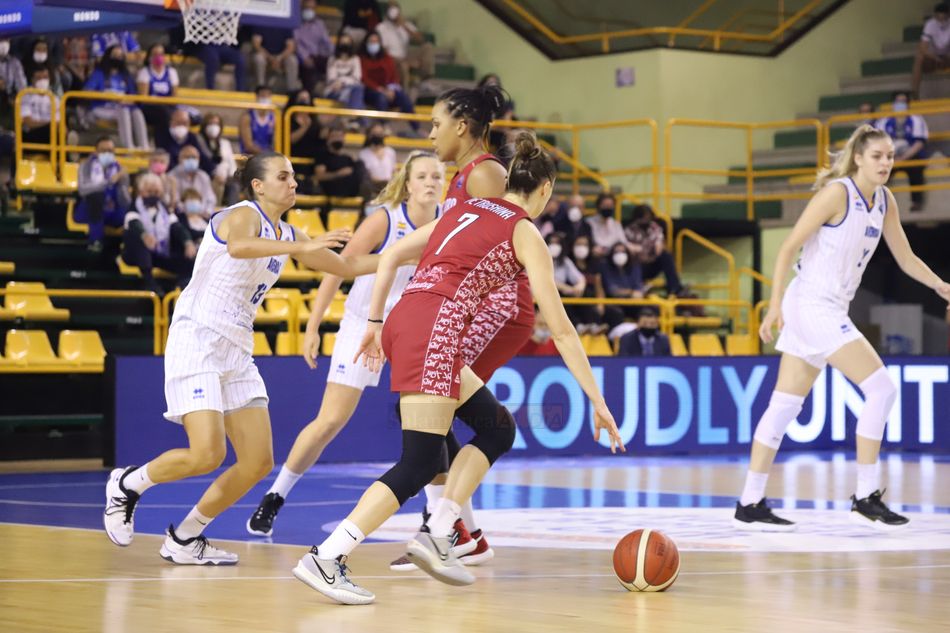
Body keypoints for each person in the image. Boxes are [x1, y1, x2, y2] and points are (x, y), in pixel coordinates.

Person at [292, 132, 624, 605]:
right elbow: (564, 330)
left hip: (410, 318)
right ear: (545, 189)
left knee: (498, 429)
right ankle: (327, 557)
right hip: (437, 327)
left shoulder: (464, 209)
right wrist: (599, 402)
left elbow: (391, 256)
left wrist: (376, 322)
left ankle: (442, 529)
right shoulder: (525, 231)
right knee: (421, 461)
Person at [102, 151, 380, 564]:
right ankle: (127, 483)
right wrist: (300, 244)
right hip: (198, 338)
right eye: (284, 176)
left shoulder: (286, 232)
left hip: (236, 348)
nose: (294, 183)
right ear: (258, 185)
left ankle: (185, 537)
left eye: (294, 175)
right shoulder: (242, 214)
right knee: (206, 454)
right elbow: (238, 247)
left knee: (257, 462)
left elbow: (347, 264)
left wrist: (419, 255)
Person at [734, 125, 950, 532]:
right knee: (882, 388)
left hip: (828, 307)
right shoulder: (837, 194)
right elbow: (787, 247)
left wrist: (940, 285)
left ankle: (749, 501)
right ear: (858, 159)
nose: (886, 162)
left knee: (784, 406)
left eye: (889, 156)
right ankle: (866, 496)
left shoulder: (885, 201)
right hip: (811, 303)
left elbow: (905, 258)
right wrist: (774, 304)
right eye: (877, 156)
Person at [246, 151, 444, 537]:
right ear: (408, 182)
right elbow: (337, 271)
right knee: (330, 420)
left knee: (430, 420)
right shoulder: (385, 220)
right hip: (361, 323)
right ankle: (275, 496)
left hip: (411, 330)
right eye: (422, 176)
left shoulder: (444, 225)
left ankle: (435, 516)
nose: (430, 182)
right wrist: (313, 326)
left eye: (437, 176)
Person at [121, 173, 197, 292]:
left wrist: (187, 242)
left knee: (187, 250)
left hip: (159, 252)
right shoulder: (133, 206)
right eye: (149, 192)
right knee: (138, 240)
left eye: (156, 192)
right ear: (141, 191)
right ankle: (150, 283)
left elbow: (176, 226)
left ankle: (184, 286)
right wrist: (144, 235)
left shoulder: (164, 208)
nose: (153, 195)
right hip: (135, 254)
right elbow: (134, 223)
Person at [83, 45, 149, 150]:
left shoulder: (125, 75)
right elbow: (87, 91)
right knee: (123, 111)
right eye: (115, 55)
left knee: (136, 112)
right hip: (101, 107)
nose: (117, 58)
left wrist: (126, 100)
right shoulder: (99, 73)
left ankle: (145, 146)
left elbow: (133, 95)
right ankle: (128, 147)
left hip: (121, 107)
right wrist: (106, 95)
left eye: (120, 56)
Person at [875, 91, 929, 211]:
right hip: (889, 156)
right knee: (877, 169)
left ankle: (916, 202)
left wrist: (903, 158)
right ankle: (876, 203)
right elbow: (878, 143)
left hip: (910, 155)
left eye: (903, 102)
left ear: (908, 104)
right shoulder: (883, 121)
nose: (900, 104)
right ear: (893, 104)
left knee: (916, 167)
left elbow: (919, 143)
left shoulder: (916, 119)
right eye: (898, 102)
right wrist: (891, 157)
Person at [76, 136, 131, 252]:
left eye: (110, 151)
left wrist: (122, 183)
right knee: (96, 196)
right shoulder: (85, 167)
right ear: (95, 152)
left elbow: (126, 201)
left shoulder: (119, 169)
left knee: (131, 212)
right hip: (91, 210)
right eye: (103, 150)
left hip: (112, 211)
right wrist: (109, 181)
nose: (107, 153)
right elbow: (82, 190)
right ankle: (95, 241)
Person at [359, 31, 419, 132]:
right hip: (370, 91)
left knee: (402, 96)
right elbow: (363, 78)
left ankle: (416, 127)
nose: (374, 44)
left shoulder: (387, 58)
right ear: (366, 43)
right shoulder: (361, 59)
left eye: (376, 42)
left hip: (388, 90)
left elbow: (393, 77)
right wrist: (380, 89)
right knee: (381, 98)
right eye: (371, 42)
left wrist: (391, 89)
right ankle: (384, 126)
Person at [624, 204, 682, 295]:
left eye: (648, 217)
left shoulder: (655, 227)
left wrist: (658, 248)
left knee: (666, 256)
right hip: (635, 266)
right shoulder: (629, 230)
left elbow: (659, 243)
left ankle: (674, 288)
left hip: (651, 263)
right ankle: (638, 287)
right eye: (643, 218)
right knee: (633, 259)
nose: (646, 220)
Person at [376, 1, 434, 90]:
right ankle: (404, 94)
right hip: (392, 58)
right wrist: (404, 61)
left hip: (406, 55)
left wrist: (404, 26)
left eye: (395, 8)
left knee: (428, 47)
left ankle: (425, 80)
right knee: (403, 65)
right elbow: (383, 50)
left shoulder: (405, 24)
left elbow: (420, 39)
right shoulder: (381, 27)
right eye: (391, 8)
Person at [568, 234, 608, 333]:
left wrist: (600, 304)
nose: (581, 248)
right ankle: (581, 326)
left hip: (591, 300)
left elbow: (599, 287)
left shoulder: (594, 264)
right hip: (573, 297)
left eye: (585, 245)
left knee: (614, 312)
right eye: (578, 244)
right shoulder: (569, 262)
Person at [195, 113, 238, 203]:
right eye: (210, 124)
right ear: (204, 126)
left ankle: (232, 212)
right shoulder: (199, 142)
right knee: (217, 184)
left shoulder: (225, 143)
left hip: (225, 179)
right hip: (207, 178)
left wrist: (229, 177)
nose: (213, 127)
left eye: (216, 124)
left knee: (234, 185)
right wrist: (215, 175)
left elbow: (232, 167)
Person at [136, 43, 180, 132]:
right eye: (155, 54)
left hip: (167, 107)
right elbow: (143, 98)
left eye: (161, 54)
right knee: (164, 114)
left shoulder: (172, 72)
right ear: (149, 57)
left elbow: (174, 97)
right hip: (149, 108)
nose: (158, 57)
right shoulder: (144, 72)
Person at [313, 122, 364, 197]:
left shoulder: (347, 157)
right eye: (334, 136)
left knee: (360, 165)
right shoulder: (322, 155)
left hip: (351, 188)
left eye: (340, 136)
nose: (338, 139)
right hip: (332, 188)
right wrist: (338, 174)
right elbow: (319, 176)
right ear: (328, 138)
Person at [295, 0, 334, 92]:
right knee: (309, 69)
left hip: (318, 57)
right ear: (301, 7)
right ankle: (310, 95)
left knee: (333, 63)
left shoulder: (319, 24)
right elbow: (295, 43)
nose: (309, 10)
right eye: (307, 8)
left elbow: (326, 42)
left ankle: (332, 91)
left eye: (312, 8)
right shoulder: (295, 23)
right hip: (302, 58)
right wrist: (304, 58)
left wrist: (334, 55)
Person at [912, 3, 950, 98]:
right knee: (919, 57)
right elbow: (923, 48)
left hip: (947, 56)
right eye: (938, 17)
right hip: (933, 57)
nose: (941, 20)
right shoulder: (930, 25)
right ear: (935, 16)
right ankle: (915, 94)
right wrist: (935, 58)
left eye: (944, 18)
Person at [169, 146, 216, 218]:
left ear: (199, 159)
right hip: (181, 216)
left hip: (202, 215)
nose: (191, 160)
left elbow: (210, 199)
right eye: (187, 157)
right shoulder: (173, 176)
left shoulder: (203, 176)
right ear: (179, 159)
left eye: (194, 157)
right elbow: (175, 201)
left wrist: (206, 212)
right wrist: (188, 213)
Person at [250, 26, 300, 92]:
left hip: (281, 57)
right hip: (265, 55)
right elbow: (256, 45)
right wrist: (270, 58)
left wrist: (279, 58)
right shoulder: (261, 24)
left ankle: (292, 90)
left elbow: (290, 47)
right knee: (259, 58)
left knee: (292, 60)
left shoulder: (286, 26)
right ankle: (260, 88)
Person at [324, 34, 365, 111]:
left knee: (358, 88)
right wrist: (340, 83)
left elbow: (357, 78)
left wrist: (343, 82)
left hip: (351, 89)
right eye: (343, 42)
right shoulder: (332, 59)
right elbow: (331, 78)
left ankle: (351, 116)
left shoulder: (355, 59)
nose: (345, 45)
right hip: (334, 90)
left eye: (347, 43)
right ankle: (354, 119)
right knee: (357, 97)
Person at [586, 192, 629, 258]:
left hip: (613, 257)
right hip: (595, 257)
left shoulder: (616, 224)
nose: (608, 208)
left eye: (610, 205)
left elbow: (624, 242)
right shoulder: (589, 223)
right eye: (605, 205)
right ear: (599, 206)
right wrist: (592, 249)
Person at [358, 122, 397, 191]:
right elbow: (367, 175)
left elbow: (394, 172)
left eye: (380, 133)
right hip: (372, 189)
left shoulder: (390, 152)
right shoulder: (363, 154)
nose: (377, 135)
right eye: (375, 133)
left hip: (389, 189)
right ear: (369, 135)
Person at [240, 86, 277, 155]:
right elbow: (248, 145)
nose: (265, 98)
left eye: (268, 95)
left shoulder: (274, 117)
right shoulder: (247, 117)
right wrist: (266, 154)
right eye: (263, 95)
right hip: (249, 157)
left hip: (268, 157)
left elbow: (277, 142)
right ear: (257, 97)